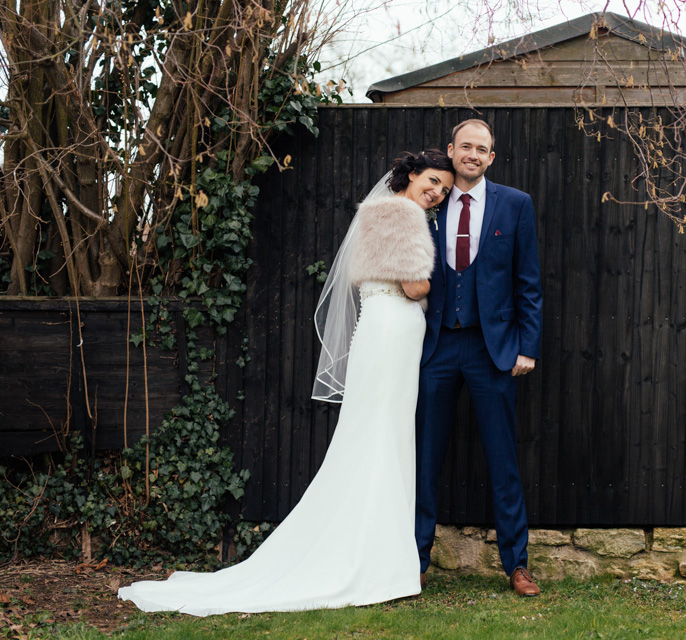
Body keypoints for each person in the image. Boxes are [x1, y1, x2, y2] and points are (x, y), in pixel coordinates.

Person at [118, 150, 454, 616]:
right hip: (393, 329)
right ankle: (375, 563)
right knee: (384, 439)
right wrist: (449, 283)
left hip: (381, 327)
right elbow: (416, 288)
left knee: (373, 439)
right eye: (432, 181)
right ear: (411, 175)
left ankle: (375, 557)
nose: (436, 192)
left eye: (443, 188)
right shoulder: (405, 215)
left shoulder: (377, 211)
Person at [415, 119, 544, 597]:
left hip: (493, 351)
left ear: (492, 157)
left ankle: (518, 564)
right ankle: (416, 558)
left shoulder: (515, 205)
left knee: (503, 459)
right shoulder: (430, 200)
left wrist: (527, 346)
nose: (472, 154)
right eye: (465, 146)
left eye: (482, 149)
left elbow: (527, 283)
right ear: (451, 151)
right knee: (426, 456)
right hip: (437, 347)